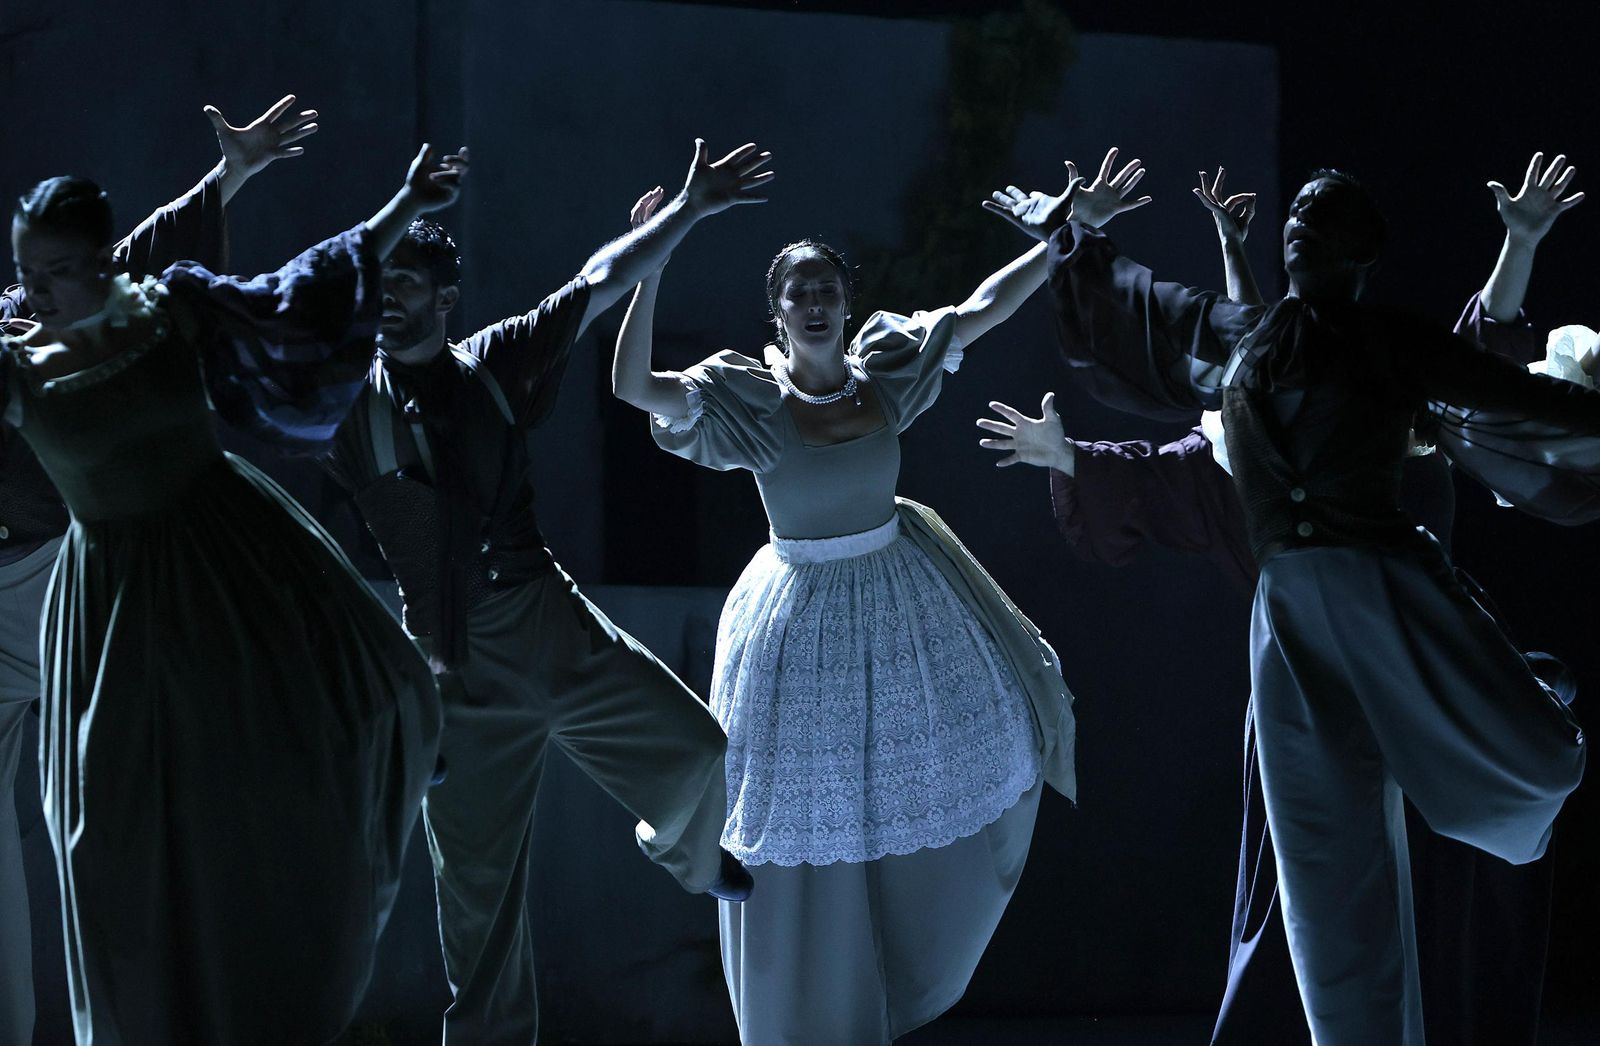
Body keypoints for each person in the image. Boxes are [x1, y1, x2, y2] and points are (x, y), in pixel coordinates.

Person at [1016, 156, 1595, 1043]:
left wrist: (1519, 250)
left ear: (1362, 254)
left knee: (1541, 763)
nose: (1301, 222)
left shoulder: (1392, 344)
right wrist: (1068, 236)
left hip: (1384, 586)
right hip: (1290, 614)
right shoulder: (1248, 340)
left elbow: (1511, 392)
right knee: (1328, 881)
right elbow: (1145, 308)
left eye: (1324, 217)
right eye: (1298, 213)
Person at [607, 149, 1146, 1046]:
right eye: (796, 291)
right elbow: (632, 388)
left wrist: (1067, 232)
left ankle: (888, 987)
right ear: (775, 313)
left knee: (927, 776)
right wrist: (651, 260)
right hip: (796, 616)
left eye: (825, 287)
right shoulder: (746, 395)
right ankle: (802, 1014)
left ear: (844, 304)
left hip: (897, 595)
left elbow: (980, 309)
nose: (813, 301)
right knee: (799, 827)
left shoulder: (885, 366)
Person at [1, 139, 464, 1045]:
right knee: (114, 834)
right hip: (110, 597)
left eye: (59, 270)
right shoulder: (15, 367)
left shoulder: (169, 306)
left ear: (101, 261)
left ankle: (294, 940)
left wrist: (405, 203)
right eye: (27, 273)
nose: (39, 291)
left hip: (231, 549)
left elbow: (305, 290)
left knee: (360, 707)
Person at [319, 138, 772, 1045]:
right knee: (479, 922)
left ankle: (677, 847)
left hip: (551, 623)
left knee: (696, 753)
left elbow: (599, 279)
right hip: (454, 670)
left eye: (408, 286)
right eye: (380, 285)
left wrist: (682, 217)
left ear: (445, 300)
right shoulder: (341, 408)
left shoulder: (496, 363)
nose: (390, 304)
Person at [0, 93, 319, 1044]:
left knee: (120, 801)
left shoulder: (55, 308)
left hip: (64, 583)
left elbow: (138, 255)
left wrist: (233, 174)